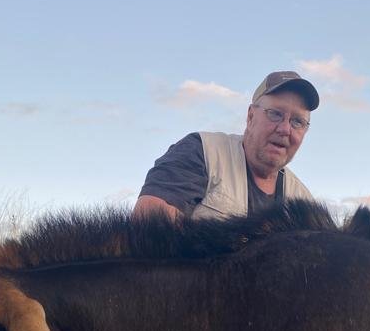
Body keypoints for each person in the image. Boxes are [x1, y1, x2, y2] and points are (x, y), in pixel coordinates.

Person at [133, 71, 319, 221]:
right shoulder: (202, 151)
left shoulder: (304, 201)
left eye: (297, 122)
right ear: (251, 116)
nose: (285, 129)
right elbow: (148, 223)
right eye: (275, 114)